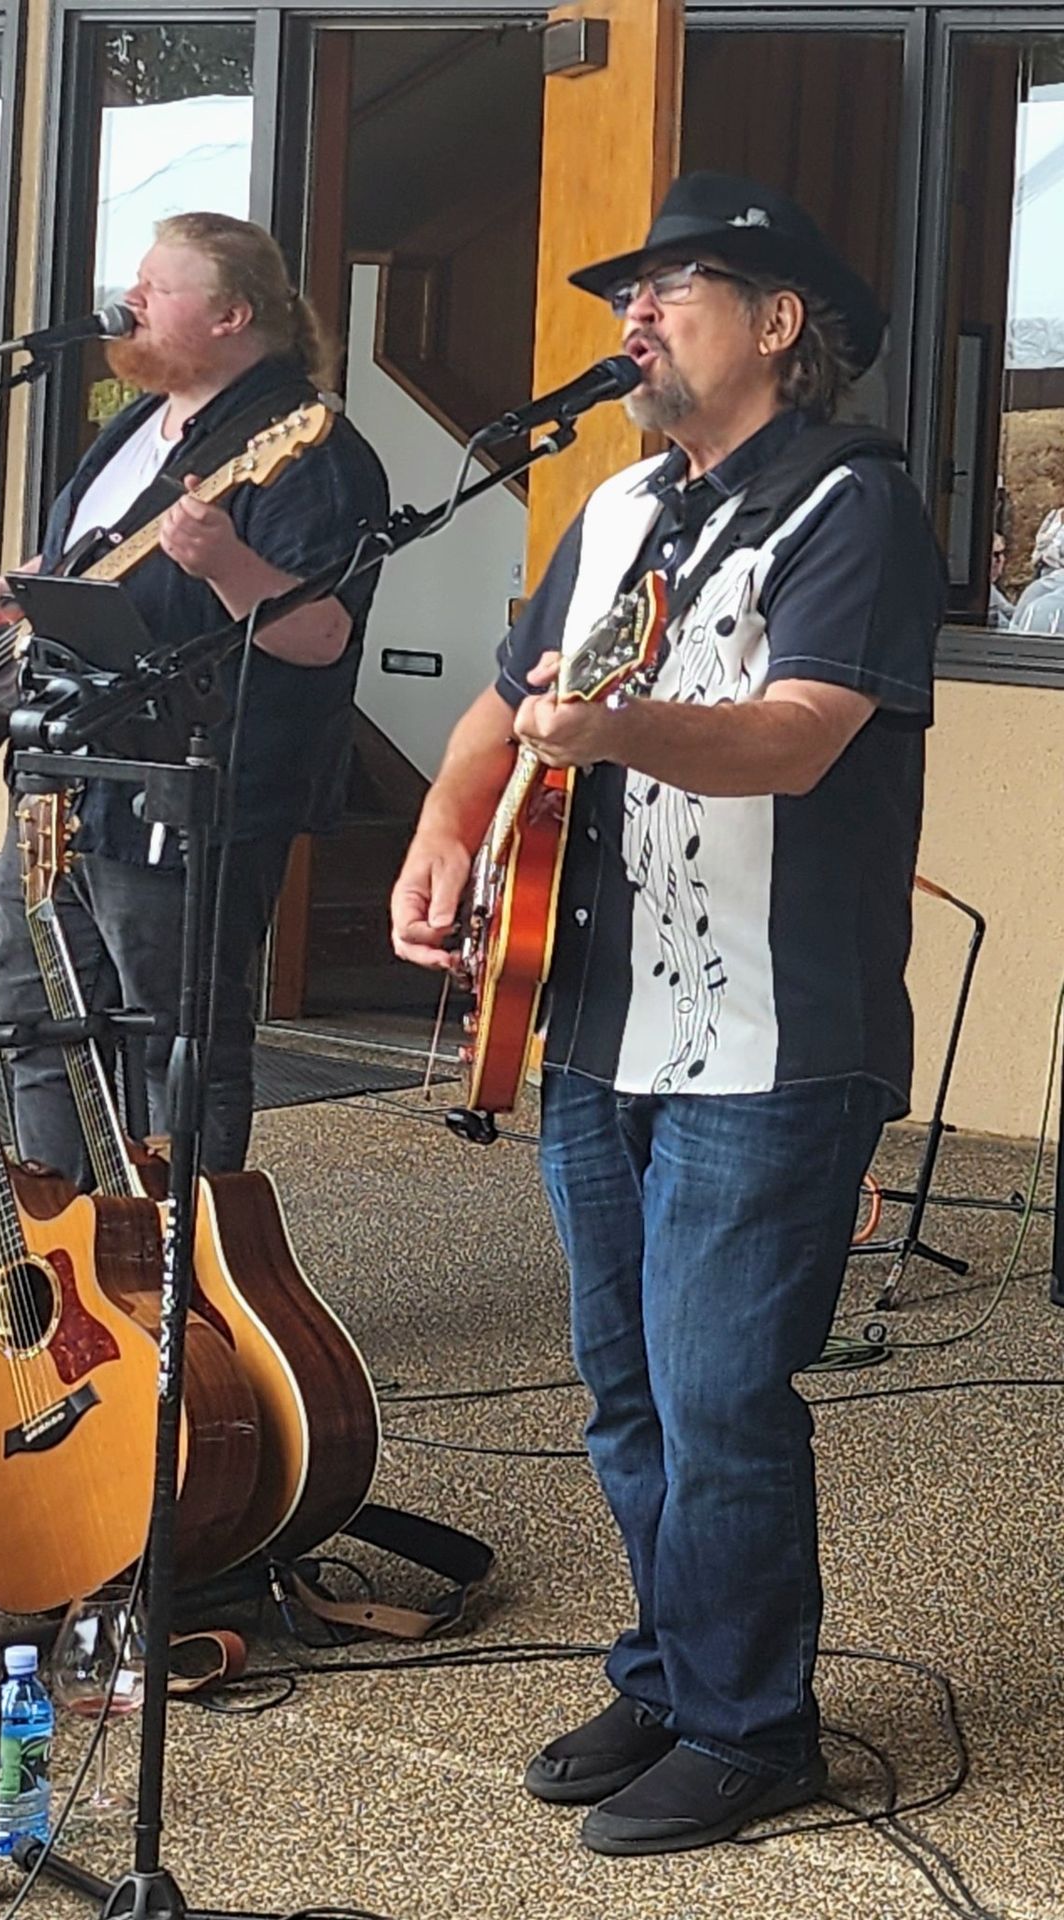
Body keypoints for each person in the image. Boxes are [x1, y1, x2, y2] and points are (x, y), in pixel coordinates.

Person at [391, 171, 944, 1856]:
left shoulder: (851, 508)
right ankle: (673, 1661)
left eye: (678, 288)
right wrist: (437, 835)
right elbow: (512, 704)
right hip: (598, 1021)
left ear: (781, 326)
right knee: (625, 1391)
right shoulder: (621, 506)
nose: (636, 316)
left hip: (776, 1040)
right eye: (630, 292)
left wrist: (614, 735)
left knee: (717, 1395)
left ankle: (750, 1723)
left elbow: (795, 733)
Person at [0, 211, 389, 1365]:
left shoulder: (311, 447)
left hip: (187, 786)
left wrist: (228, 564)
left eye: (154, 287)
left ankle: (193, 1298)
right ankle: (52, 1286)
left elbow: (322, 633)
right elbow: (80, 576)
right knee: (37, 1022)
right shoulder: (137, 427)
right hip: (65, 770)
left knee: (176, 1043)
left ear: (231, 316)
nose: (128, 303)